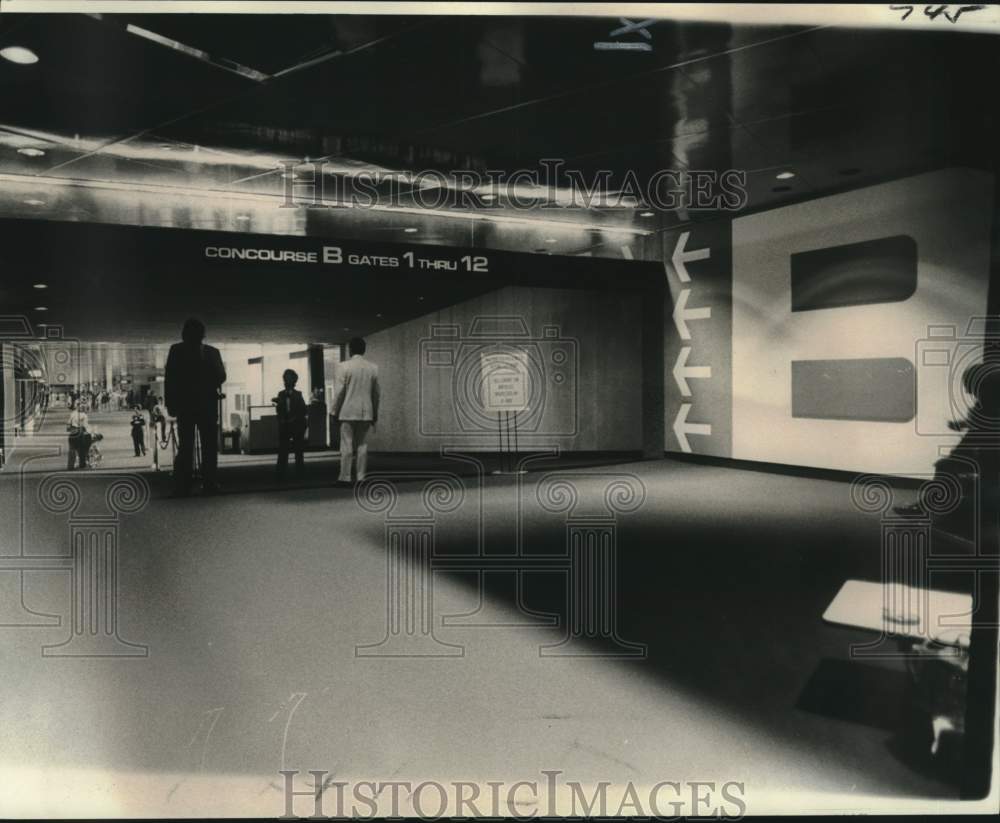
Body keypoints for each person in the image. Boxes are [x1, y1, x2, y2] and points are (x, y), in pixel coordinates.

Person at [164, 317, 227, 496]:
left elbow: (171, 380)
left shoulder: (176, 351)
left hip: (190, 405)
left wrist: (172, 403)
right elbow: (221, 376)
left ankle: (188, 484)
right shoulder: (212, 352)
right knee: (202, 446)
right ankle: (207, 482)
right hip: (203, 404)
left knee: (190, 445)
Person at [332, 337, 379, 486]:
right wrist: (375, 412)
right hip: (366, 412)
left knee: (346, 445)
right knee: (362, 445)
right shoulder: (373, 368)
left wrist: (334, 411)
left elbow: (340, 392)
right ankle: (361, 477)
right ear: (364, 350)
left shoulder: (343, 366)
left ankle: (345, 477)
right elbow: (376, 393)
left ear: (350, 350)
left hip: (347, 411)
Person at [272, 368, 308, 480]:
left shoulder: (298, 395)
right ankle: (281, 474)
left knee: (298, 451)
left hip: (296, 425)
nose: (286, 382)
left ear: (293, 382)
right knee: (283, 451)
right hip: (285, 425)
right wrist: (281, 419)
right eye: (285, 379)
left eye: (288, 380)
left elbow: (303, 410)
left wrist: (294, 418)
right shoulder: (280, 394)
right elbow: (278, 410)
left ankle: (300, 474)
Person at [66, 401, 91, 470]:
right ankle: (82, 464)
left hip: (73, 433)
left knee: (72, 449)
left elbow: (68, 427)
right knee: (82, 449)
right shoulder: (84, 415)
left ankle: (70, 465)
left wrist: (71, 429)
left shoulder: (72, 414)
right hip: (80, 433)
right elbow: (85, 426)